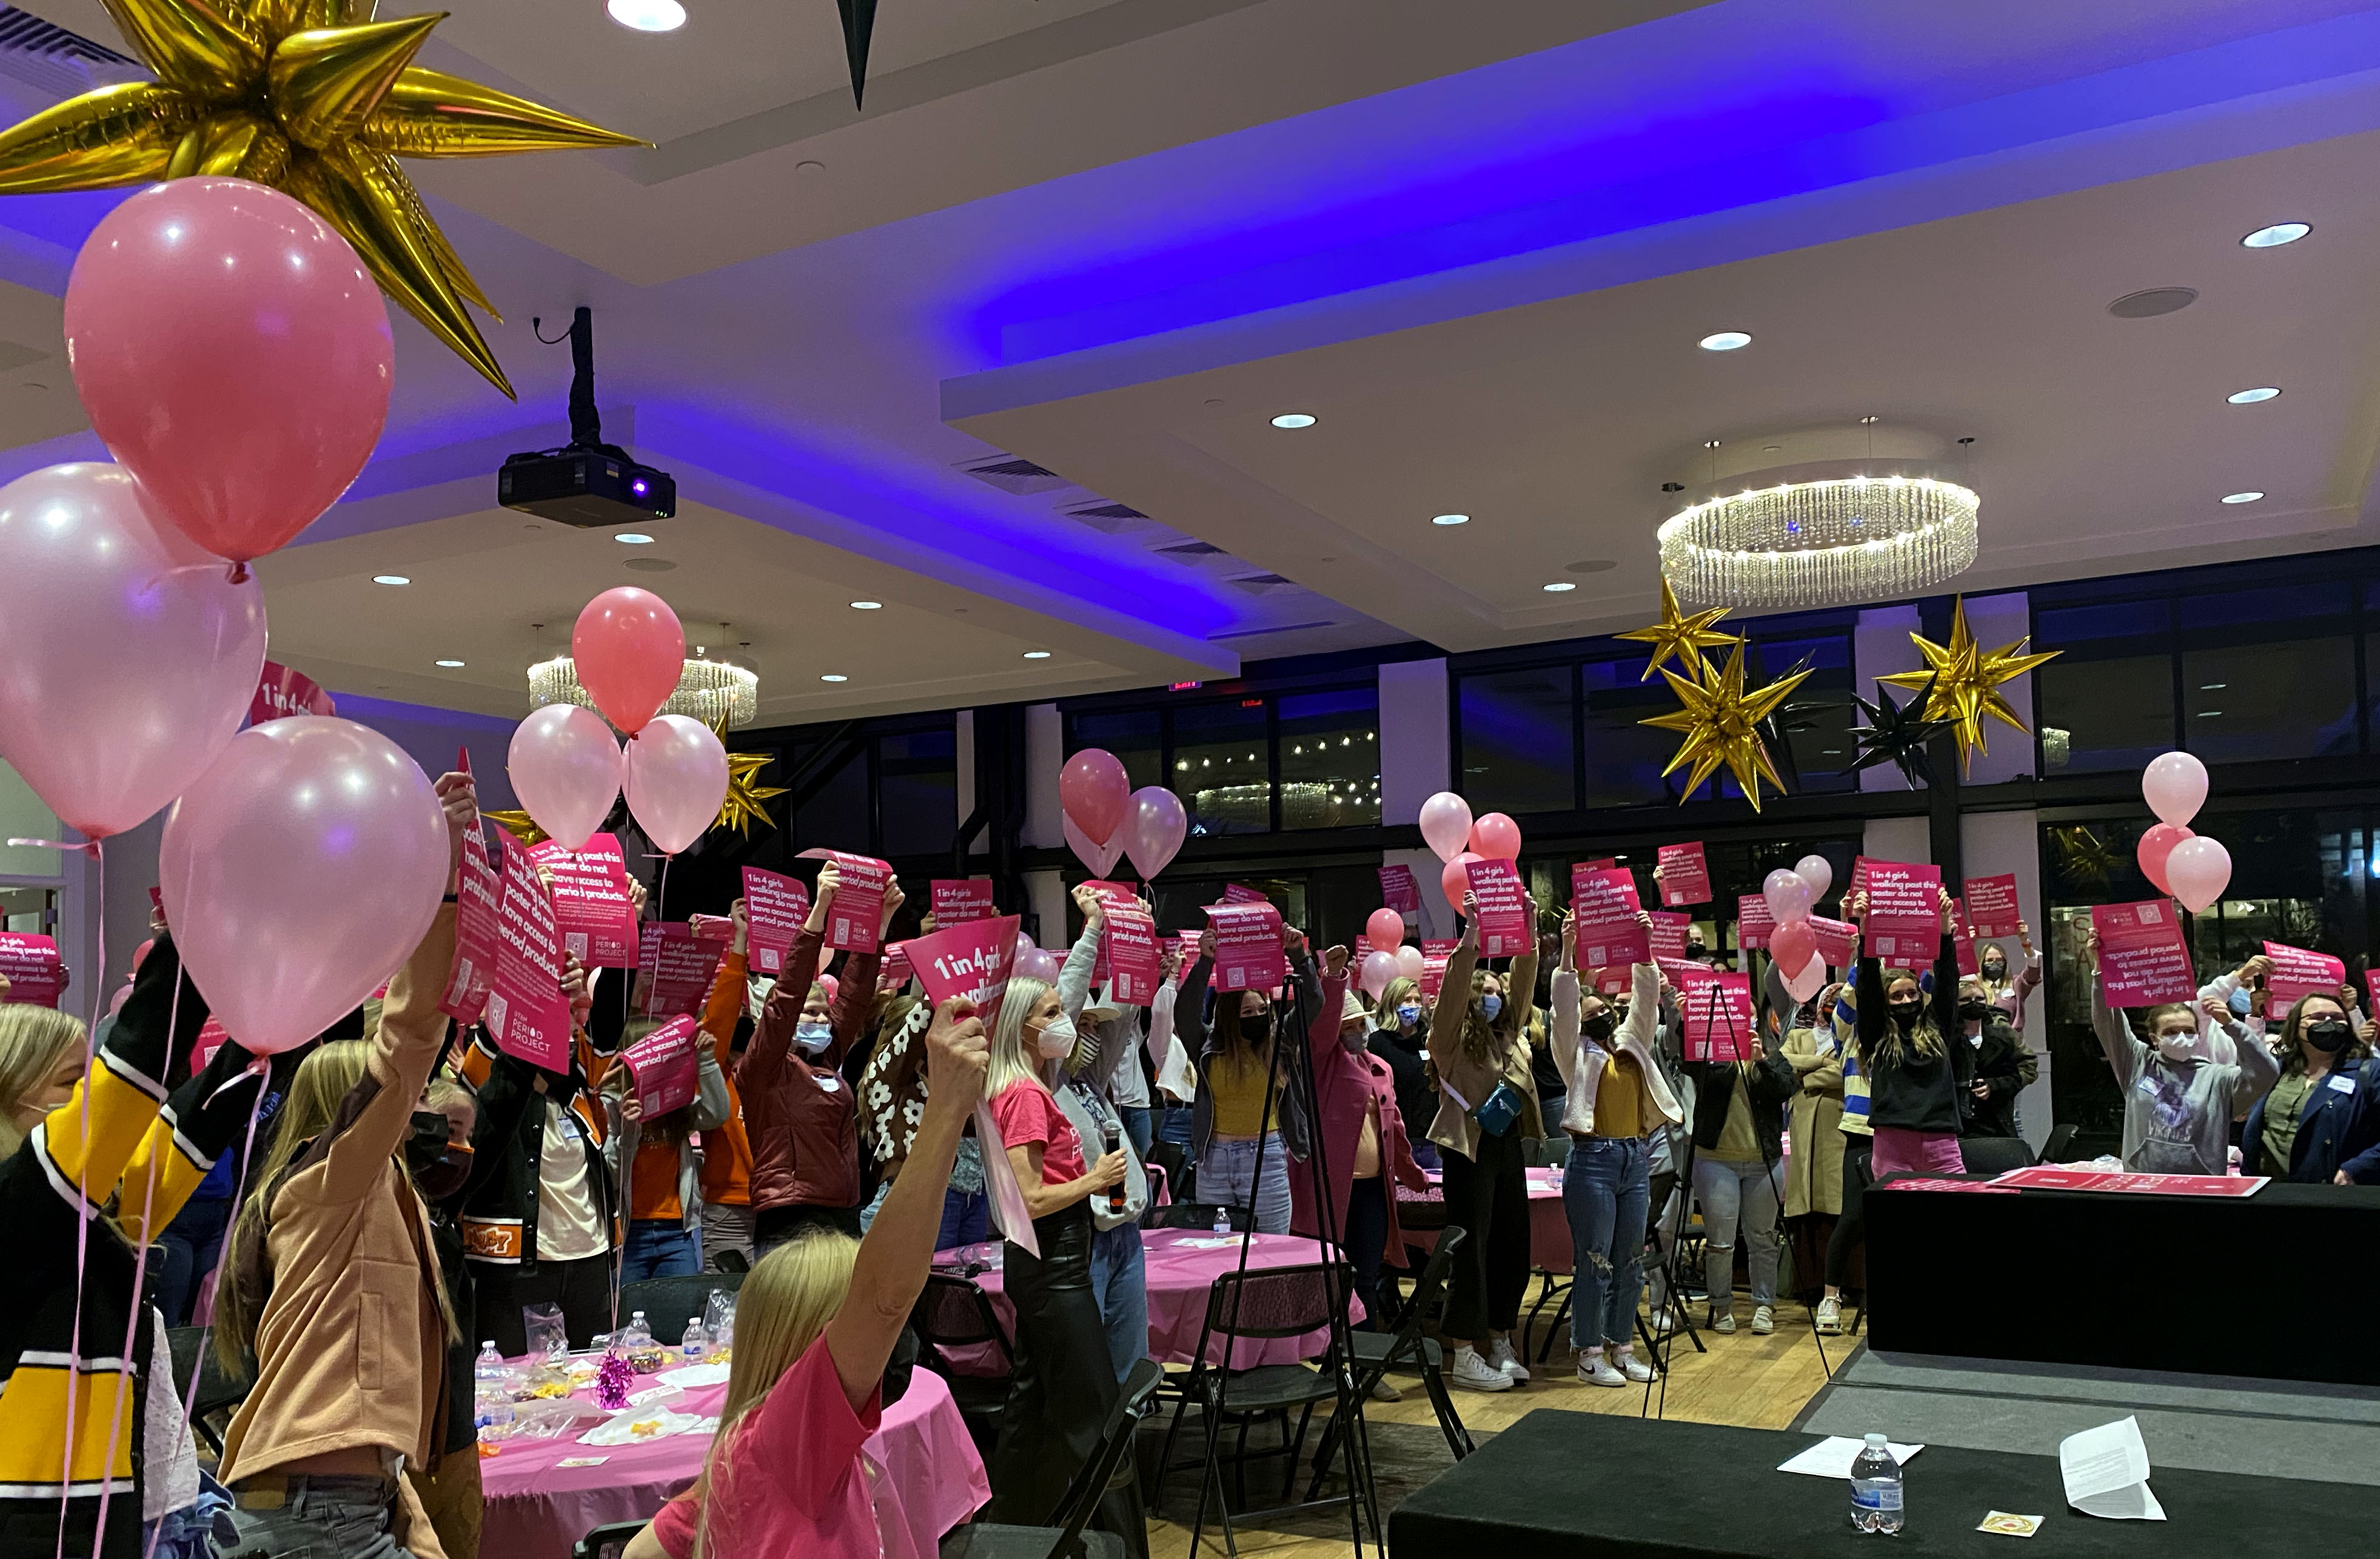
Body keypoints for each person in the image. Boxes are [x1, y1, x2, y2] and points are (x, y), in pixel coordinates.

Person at [623, 996, 990, 1559]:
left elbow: (640, 1551)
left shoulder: (744, 1447)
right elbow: (885, 1297)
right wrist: (944, 1108)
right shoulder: (791, 1434)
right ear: (809, 1349)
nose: (882, 1344)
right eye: (847, 1326)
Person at [211, 771, 470, 1559]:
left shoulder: (361, 1191)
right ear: (347, 1112)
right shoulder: (329, 1184)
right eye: (410, 1100)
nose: (422, 1107)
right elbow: (408, 1038)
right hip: (316, 1509)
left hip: (340, 1497)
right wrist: (444, 872)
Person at [0, 931, 266, 1558]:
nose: (90, 1103)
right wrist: (198, 923)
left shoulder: (98, 1214)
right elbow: (132, 1075)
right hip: (27, 1528)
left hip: (109, 1519)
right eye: (72, 1085)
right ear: (13, 1097)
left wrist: (279, 1021)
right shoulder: (16, 1206)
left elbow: (204, 1116)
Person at [980, 974, 1135, 1534]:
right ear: (1023, 1025)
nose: (1062, 1021)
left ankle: (1013, 1530)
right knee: (1096, 1417)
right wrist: (1094, 1179)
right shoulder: (1023, 1094)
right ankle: (1121, 1541)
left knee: (1035, 1412)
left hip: (1047, 1263)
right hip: (1054, 1264)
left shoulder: (1031, 1087)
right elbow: (1032, 1197)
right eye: (1050, 1011)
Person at [451, 954, 617, 1354]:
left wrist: (626, 928)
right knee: (518, 1391)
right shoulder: (498, 1093)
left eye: (570, 1025)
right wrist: (530, 989)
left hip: (590, 1258)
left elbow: (609, 1018)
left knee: (594, 1380)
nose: (569, 1034)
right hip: (519, 1265)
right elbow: (485, 1073)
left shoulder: (580, 1090)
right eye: (554, 1024)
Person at [1550, 910, 1684, 1386]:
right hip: (1592, 1162)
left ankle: (1621, 1347)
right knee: (1594, 1259)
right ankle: (1588, 1352)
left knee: (1629, 1258)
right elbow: (1562, 1009)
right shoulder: (1573, 1053)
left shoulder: (1631, 1041)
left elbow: (1646, 998)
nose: (1598, 1017)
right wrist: (1568, 951)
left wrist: (1642, 941)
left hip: (1635, 1158)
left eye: (1600, 1010)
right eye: (1588, 1016)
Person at [1289, 948, 1430, 1390]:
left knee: (1366, 1276)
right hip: (1331, 1190)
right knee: (1332, 1278)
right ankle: (1333, 1363)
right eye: (1346, 1026)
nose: (1354, 1031)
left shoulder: (1379, 1067)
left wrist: (1413, 1175)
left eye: (1358, 1025)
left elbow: (1395, 1129)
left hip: (1372, 1190)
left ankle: (1364, 1366)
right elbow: (1323, 1029)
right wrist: (1335, 978)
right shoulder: (1322, 1066)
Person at [745, 862, 904, 1250]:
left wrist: (879, 924)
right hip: (791, 1218)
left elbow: (852, 997)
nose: (821, 1018)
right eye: (810, 1011)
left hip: (843, 1212)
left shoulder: (826, 1062)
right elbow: (784, 1002)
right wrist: (819, 914)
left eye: (822, 1011)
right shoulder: (762, 1068)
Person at [1427, 890, 1541, 1392]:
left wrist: (1529, 928)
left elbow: (1525, 979)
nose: (1494, 996)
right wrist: (1473, 931)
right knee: (1471, 1247)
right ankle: (1464, 1352)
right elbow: (1454, 985)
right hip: (1467, 1148)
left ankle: (1499, 1337)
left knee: (1512, 1243)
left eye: (1497, 990)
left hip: (1506, 1143)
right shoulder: (1448, 1039)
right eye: (1485, 991)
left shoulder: (1510, 1034)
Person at [1051, 885, 1153, 1383]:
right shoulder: (1045, 1086)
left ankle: (1126, 1457)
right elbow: (1068, 1002)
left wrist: (1133, 939)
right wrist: (1092, 930)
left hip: (1123, 1232)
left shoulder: (1090, 1084)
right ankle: (1092, 1460)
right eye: (1081, 1026)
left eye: (1095, 1027)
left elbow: (1124, 1017)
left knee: (1131, 1366)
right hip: (1084, 1237)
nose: (1090, 1033)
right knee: (1086, 1373)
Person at [2085, 931, 2278, 1175]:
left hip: (2201, 1188)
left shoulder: (2218, 1077)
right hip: (2143, 1184)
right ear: (2154, 1039)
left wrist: (2233, 1026)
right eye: (2171, 1031)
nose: (2181, 1037)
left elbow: (2267, 1072)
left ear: (2199, 1034)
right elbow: (2107, 1021)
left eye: (2188, 1030)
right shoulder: (2137, 1062)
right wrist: (2101, 970)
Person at [1173, 919, 1321, 1235]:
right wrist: (1205, 962)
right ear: (1229, 1017)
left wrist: (1299, 956)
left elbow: (1314, 1001)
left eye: (1261, 1011)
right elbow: (1184, 1013)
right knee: (1217, 1250)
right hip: (1215, 1161)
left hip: (1265, 1158)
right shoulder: (1208, 1047)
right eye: (1246, 1013)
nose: (1257, 1018)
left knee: (1270, 1252)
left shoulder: (1279, 1039)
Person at [1679, 966, 1796, 1338]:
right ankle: (1722, 1306)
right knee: (1720, 1242)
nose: (1739, 1022)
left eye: (1745, 1015)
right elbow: (1688, 1064)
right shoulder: (1709, 1058)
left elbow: (1787, 1087)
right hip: (1716, 1162)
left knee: (1762, 1238)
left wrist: (1760, 1059)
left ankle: (1764, 1306)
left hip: (1764, 1162)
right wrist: (1686, 1024)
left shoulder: (1768, 1054)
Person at [1845, 885, 1974, 1179]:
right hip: (1893, 1144)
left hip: (1941, 1142)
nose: (1907, 1001)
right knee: (1898, 1224)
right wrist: (1865, 932)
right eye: (1897, 996)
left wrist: (1944, 931)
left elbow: (1948, 983)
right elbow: (1866, 990)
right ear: (1885, 1003)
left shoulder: (1936, 1026)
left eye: (1912, 994)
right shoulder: (1876, 1033)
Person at [411, 1076, 483, 1559]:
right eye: (449, 1130)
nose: (460, 1148)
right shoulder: (387, 1217)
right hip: (405, 1451)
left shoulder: (442, 1221)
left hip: (457, 1441)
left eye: (466, 1135)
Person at [604, 1013, 732, 1281]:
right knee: (628, 1315)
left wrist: (705, 1059)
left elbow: (717, 1113)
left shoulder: (676, 1100)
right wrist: (629, 1133)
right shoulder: (612, 1102)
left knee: (680, 1313)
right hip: (630, 1233)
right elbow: (609, 1175)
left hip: (677, 1230)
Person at [2242, 991, 2380, 1182]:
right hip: (2266, 1193)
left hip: (2328, 1197)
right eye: (2317, 1017)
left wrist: (2356, 1169)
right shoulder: (2277, 1069)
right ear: (2296, 1026)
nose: (2328, 1022)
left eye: (2337, 1017)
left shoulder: (2369, 1072)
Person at [696, 900, 759, 1274]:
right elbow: (717, 1020)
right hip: (728, 1208)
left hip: (776, 1208)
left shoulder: (777, 1071)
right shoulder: (717, 1069)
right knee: (726, 1312)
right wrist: (740, 943)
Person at [1780, 980, 1846, 1279]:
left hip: (1836, 1122)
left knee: (1833, 1193)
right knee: (1804, 1189)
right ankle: (1806, 1280)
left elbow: (1844, 1073)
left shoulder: (1850, 1039)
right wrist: (1820, 1061)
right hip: (1802, 1122)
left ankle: (1840, 1279)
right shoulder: (1798, 1034)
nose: (1832, 1008)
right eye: (1829, 1002)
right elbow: (1782, 1062)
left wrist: (1805, 1078)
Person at [1815, 984, 1868, 1336]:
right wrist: (1866, 949)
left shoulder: (1905, 1032)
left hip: (1903, 1130)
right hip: (1861, 1132)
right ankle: (1830, 1297)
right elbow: (1847, 1002)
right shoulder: (1849, 1033)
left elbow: (1927, 993)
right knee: (1851, 1217)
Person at [1367, 975, 1437, 1171]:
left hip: (1432, 1140)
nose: (1413, 1005)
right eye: (1407, 1000)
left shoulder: (1430, 1040)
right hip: (1395, 1139)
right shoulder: (1377, 1043)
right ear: (1392, 1003)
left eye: (1417, 1000)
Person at [1955, 974, 2037, 1140]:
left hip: (1997, 1121)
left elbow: (2027, 1066)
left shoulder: (2002, 1033)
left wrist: (1996, 1086)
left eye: (1979, 998)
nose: (1973, 1003)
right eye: (1966, 999)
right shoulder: (1946, 1037)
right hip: (1957, 1125)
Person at [1978, 924, 2041, 1034]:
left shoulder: (2015, 985)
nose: (1994, 964)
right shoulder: (1975, 987)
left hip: (2011, 1043)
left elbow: (2032, 974)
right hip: (1982, 1045)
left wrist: (2026, 943)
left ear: (2005, 962)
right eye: (1989, 960)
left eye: (1999, 960)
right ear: (1982, 963)